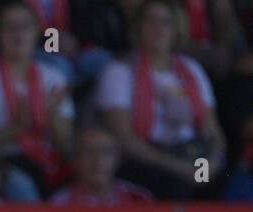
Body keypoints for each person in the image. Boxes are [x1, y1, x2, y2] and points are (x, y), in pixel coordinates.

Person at [94, 0, 225, 200]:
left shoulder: (192, 69)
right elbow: (124, 139)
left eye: (166, 22)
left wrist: (209, 167)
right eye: (151, 22)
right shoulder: (119, 71)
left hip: (192, 154)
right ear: (137, 27)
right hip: (146, 159)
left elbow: (213, 133)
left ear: (176, 29)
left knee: (225, 184)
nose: (158, 29)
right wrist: (180, 168)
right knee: (175, 186)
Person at [0, 0, 74, 195]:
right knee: (22, 186)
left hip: (49, 161)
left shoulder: (54, 77)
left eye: (24, 26)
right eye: (9, 27)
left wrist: (51, 115)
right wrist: (16, 127)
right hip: (2, 162)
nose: (17, 34)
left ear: (37, 31)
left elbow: (68, 150)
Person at [50, 124, 154, 204]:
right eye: (89, 151)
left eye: (106, 152)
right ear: (76, 160)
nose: (98, 160)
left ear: (117, 159)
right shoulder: (60, 202)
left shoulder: (139, 199)